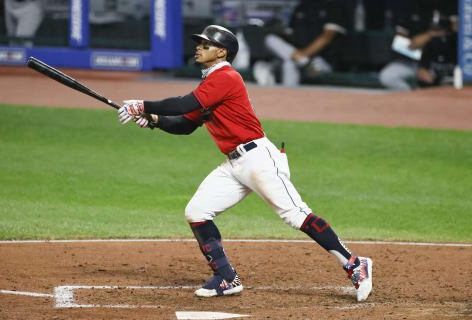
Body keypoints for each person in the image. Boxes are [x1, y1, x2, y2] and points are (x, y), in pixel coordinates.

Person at [117, 25, 373, 301]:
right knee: (197, 211)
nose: (199, 47)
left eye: (206, 44)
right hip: (235, 165)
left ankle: (354, 263)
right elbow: (184, 125)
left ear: (222, 51)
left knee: (295, 214)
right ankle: (226, 278)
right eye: (199, 43)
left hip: (259, 159)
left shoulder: (226, 77)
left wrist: (141, 105)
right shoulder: (209, 85)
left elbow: (183, 103)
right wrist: (154, 121)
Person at [254, 0, 347, 87]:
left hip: (321, 61)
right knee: (271, 40)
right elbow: (290, 35)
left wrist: (303, 54)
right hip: (299, 58)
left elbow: (327, 37)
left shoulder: (333, 6)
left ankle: (270, 68)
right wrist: (277, 32)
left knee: (290, 62)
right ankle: (288, 96)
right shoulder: (301, 7)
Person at [378, 0, 458, 91]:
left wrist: (444, 31)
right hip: (416, 61)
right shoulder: (409, 8)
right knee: (388, 76)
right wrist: (430, 35)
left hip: (448, 62)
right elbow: (400, 44)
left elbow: (458, 29)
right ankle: (411, 96)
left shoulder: (451, 5)